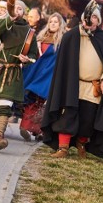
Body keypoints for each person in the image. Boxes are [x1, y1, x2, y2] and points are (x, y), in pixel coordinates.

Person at [41, 0, 103, 159]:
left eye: (94, 19)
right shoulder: (72, 36)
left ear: (98, 21)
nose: (90, 23)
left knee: (88, 119)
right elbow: (64, 63)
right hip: (73, 85)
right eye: (87, 19)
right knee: (67, 115)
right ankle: (63, 147)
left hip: (93, 87)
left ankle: (81, 143)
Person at [0, 0, 38, 152]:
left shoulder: (29, 33)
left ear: (23, 13)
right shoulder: (2, 23)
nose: (16, 10)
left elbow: (34, 55)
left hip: (11, 72)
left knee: (4, 106)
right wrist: (8, 19)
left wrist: (27, 59)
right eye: (14, 8)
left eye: (19, 9)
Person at [19, 12, 66, 141]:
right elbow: (34, 55)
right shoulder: (40, 38)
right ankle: (25, 127)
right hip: (36, 72)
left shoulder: (62, 41)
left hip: (49, 76)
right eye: (51, 21)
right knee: (31, 100)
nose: (53, 24)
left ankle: (39, 130)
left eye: (56, 22)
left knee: (42, 103)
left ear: (60, 24)